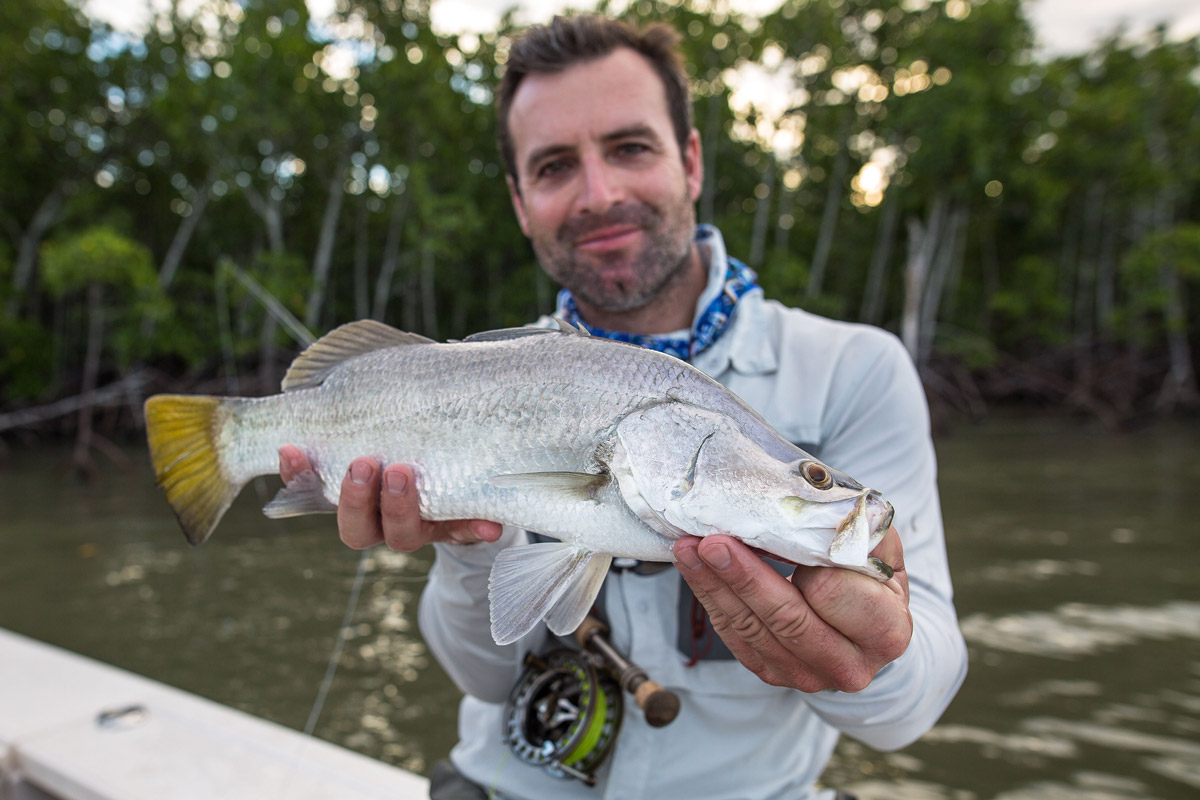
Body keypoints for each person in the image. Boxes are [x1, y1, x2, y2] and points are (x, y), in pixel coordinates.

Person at [279, 14, 966, 800]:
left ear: (692, 160)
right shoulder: (476, 375)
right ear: (519, 201)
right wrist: (466, 545)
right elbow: (483, 677)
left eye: (630, 148)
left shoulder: (856, 369)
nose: (599, 194)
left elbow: (909, 712)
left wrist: (873, 657)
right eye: (554, 166)